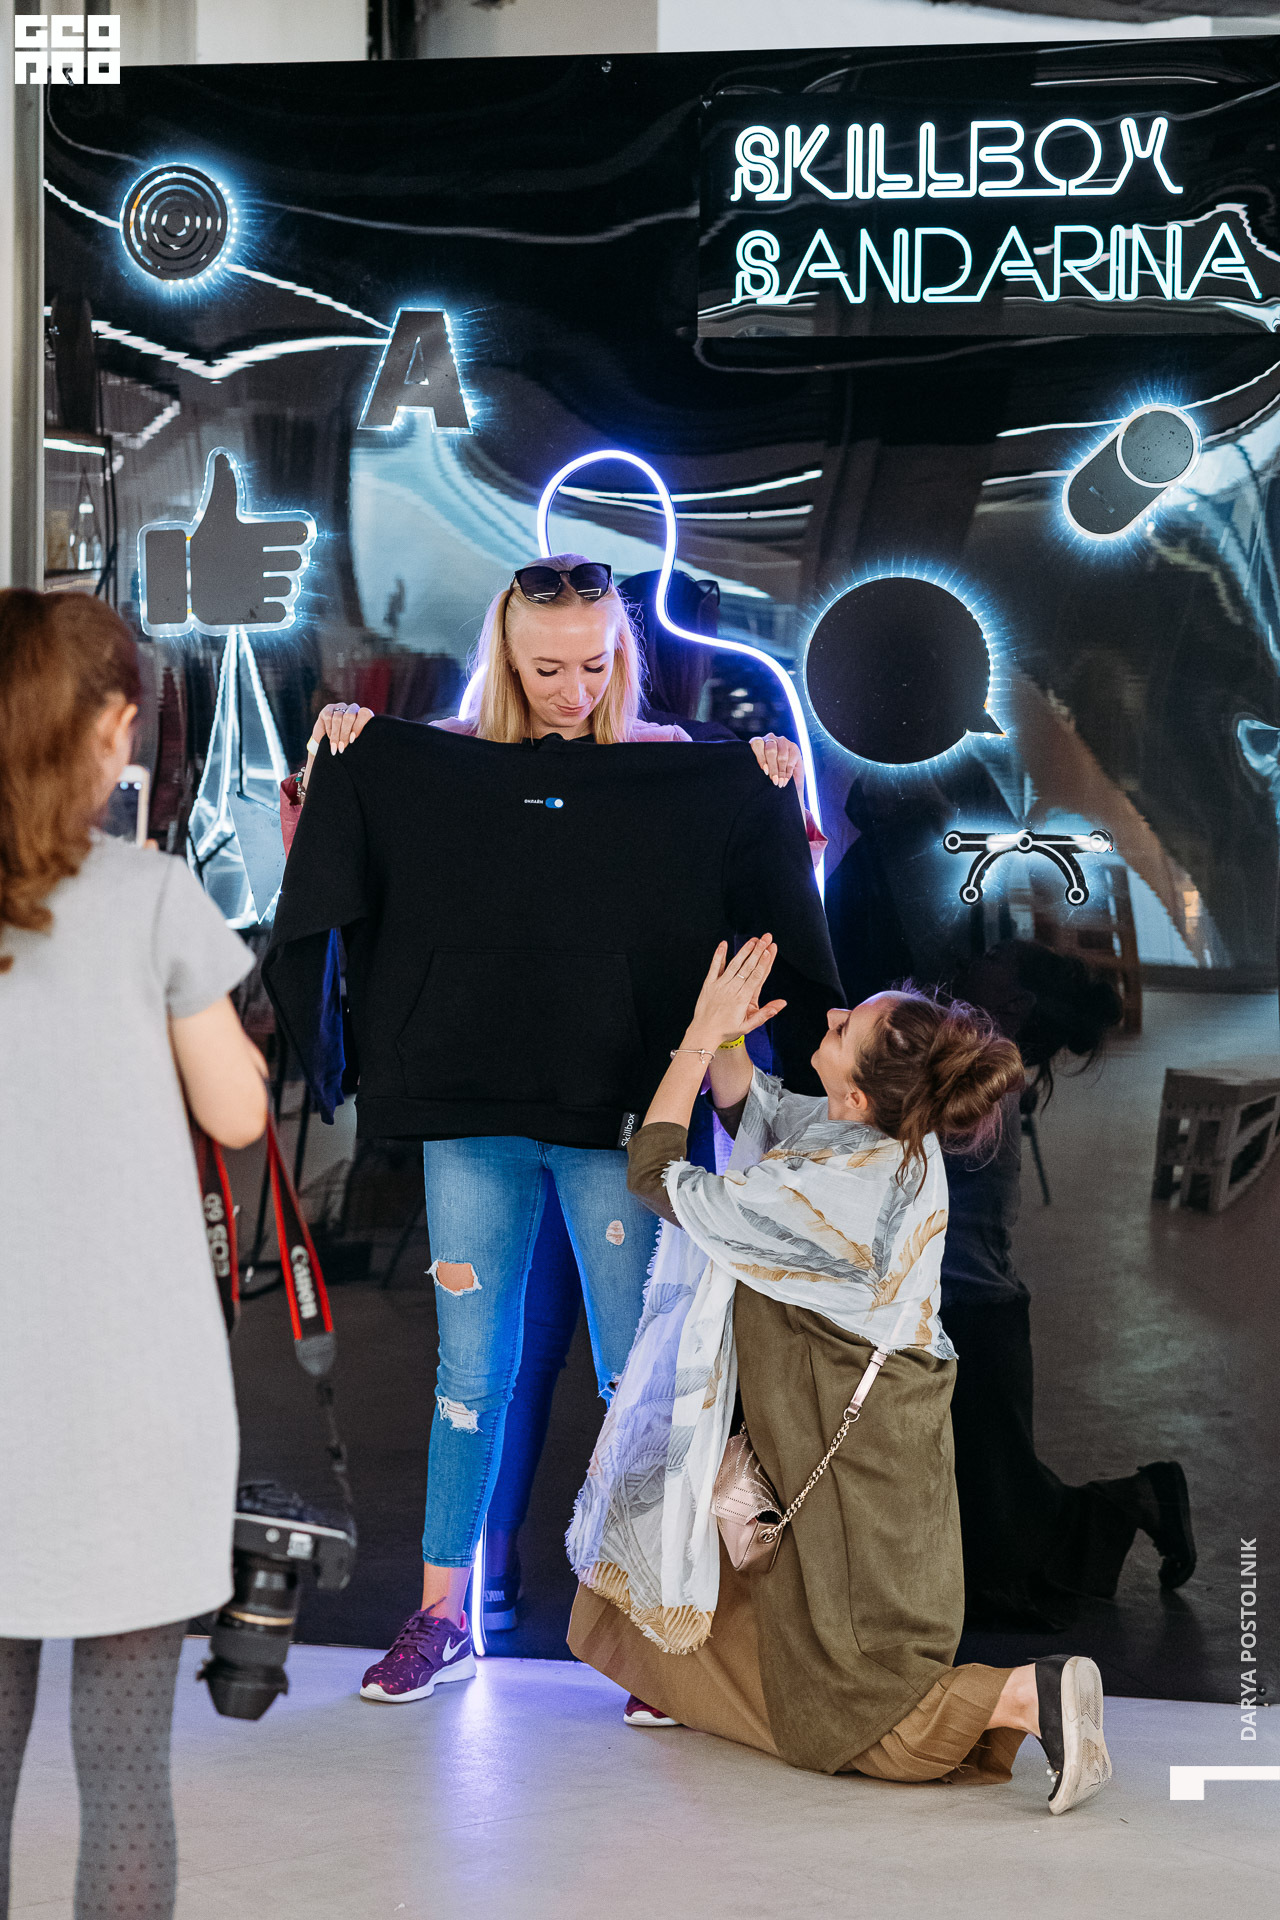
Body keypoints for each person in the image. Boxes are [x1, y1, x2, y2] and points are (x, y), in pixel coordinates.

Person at [282, 555, 825, 1699]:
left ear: (620, 654)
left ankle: (655, 1632)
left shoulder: (677, 768)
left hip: (624, 1115)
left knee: (638, 1377)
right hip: (470, 1106)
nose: (573, 689)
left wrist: (764, 782)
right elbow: (341, 860)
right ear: (504, 657)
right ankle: (439, 1615)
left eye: (593, 663)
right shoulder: (429, 761)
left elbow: (765, 891)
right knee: (469, 1374)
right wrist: (347, 756)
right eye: (546, 668)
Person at [568, 940, 1114, 1815]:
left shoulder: (836, 1189)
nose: (829, 1014)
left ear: (858, 1094)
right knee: (809, 1645)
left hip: (860, 1464)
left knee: (866, 1708)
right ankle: (694, 1690)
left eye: (844, 1026)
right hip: (869, 1440)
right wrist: (729, 1040)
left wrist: (698, 1039)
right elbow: (755, 1109)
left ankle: (1027, 1694)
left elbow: (656, 1173)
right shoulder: (876, 1139)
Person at [0, 590, 268, 1919]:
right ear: (109, 732)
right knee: (121, 1780)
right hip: (129, 1410)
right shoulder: (151, 896)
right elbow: (239, 1113)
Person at [942, 941, 1195, 1630]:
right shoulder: (985, 1064)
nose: (975, 953)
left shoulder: (988, 1077)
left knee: (1006, 1515)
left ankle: (1145, 1498)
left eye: (993, 955)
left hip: (978, 1316)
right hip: (970, 1309)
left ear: (1015, 1002)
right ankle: (1144, 1498)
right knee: (998, 1498)